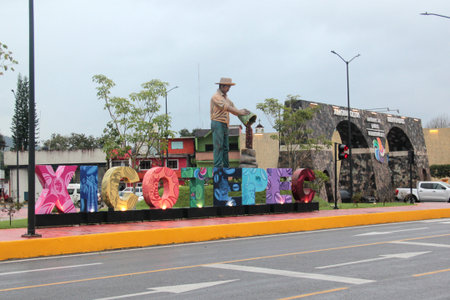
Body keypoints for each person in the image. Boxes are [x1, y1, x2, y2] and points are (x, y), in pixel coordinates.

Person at [210, 77, 250, 168]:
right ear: (222, 86)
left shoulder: (226, 99)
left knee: (225, 147)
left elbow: (234, 109)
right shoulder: (216, 97)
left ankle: (225, 166)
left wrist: (244, 116)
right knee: (218, 145)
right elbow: (227, 107)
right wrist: (239, 112)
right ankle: (218, 166)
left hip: (225, 124)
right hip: (217, 123)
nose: (229, 89)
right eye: (228, 87)